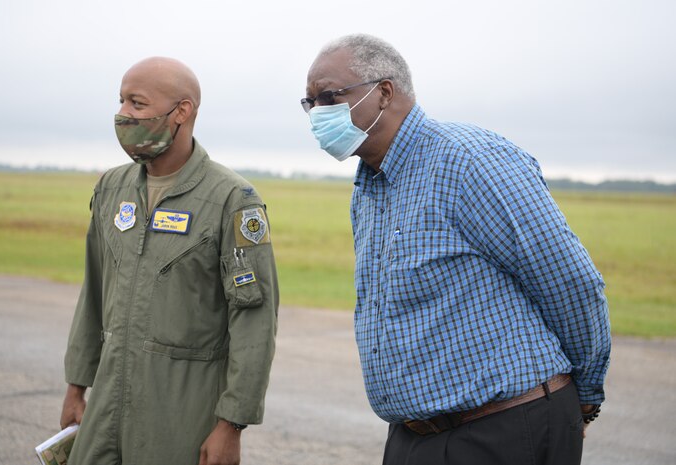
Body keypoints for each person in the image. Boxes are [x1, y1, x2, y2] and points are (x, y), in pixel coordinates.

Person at [301, 34, 610, 465]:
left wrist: (585, 394)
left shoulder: (469, 162)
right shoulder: (370, 185)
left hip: (503, 428)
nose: (317, 114)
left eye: (329, 97)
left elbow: (569, 282)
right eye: (310, 103)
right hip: (415, 435)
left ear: (384, 93)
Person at [60, 57, 279, 465]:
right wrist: (76, 387)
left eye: (137, 104)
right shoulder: (112, 188)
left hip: (182, 412)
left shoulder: (232, 200)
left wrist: (231, 424)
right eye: (121, 101)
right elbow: (93, 293)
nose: (123, 114)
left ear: (182, 111)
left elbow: (254, 319)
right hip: (106, 402)